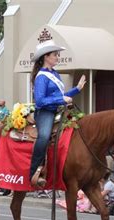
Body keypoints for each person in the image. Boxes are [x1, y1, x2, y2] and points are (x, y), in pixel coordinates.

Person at [29, 40, 86, 187]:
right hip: (45, 113)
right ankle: (34, 172)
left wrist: (77, 89)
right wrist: (61, 99)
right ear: (46, 57)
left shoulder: (54, 74)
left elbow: (62, 96)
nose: (57, 57)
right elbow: (40, 101)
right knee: (44, 136)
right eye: (55, 55)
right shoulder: (41, 76)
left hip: (58, 110)